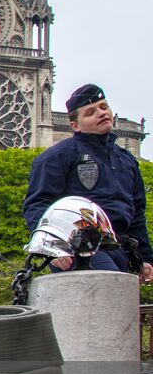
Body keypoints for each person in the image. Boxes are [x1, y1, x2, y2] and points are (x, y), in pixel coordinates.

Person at [23, 83, 153, 281]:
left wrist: (145, 258)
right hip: (76, 248)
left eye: (103, 107)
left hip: (119, 247)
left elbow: (137, 214)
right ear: (75, 125)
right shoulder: (57, 157)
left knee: (121, 303)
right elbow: (37, 204)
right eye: (90, 112)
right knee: (110, 291)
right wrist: (52, 247)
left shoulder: (126, 160)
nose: (101, 113)